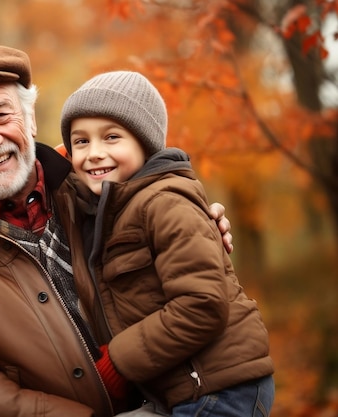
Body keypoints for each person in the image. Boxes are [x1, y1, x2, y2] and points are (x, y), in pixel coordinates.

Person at [0, 44, 233, 417]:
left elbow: (192, 277)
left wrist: (201, 225)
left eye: (2, 115)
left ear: (30, 120)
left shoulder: (109, 188)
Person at [59, 70, 275, 416]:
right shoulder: (112, 211)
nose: (94, 153)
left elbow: (201, 303)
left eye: (111, 137)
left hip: (220, 388)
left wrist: (117, 361)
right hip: (185, 388)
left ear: (145, 143)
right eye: (81, 142)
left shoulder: (165, 201)